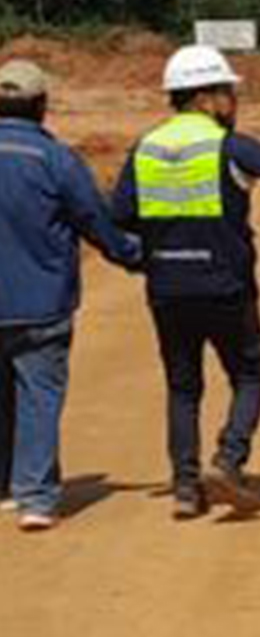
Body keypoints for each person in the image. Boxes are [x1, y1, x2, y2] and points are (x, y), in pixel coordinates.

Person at [112, 45, 260, 518]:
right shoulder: (228, 146)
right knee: (251, 372)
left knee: (183, 386)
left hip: (167, 289)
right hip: (225, 286)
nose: (234, 101)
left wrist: (163, 238)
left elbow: (120, 214)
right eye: (229, 93)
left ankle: (186, 490)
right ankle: (228, 460)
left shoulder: (145, 148)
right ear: (208, 97)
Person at [0, 57, 143, 531]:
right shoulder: (56, 159)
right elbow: (94, 220)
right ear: (41, 105)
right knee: (38, 395)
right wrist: (134, 255)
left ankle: (5, 486)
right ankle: (36, 499)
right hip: (42, 304)